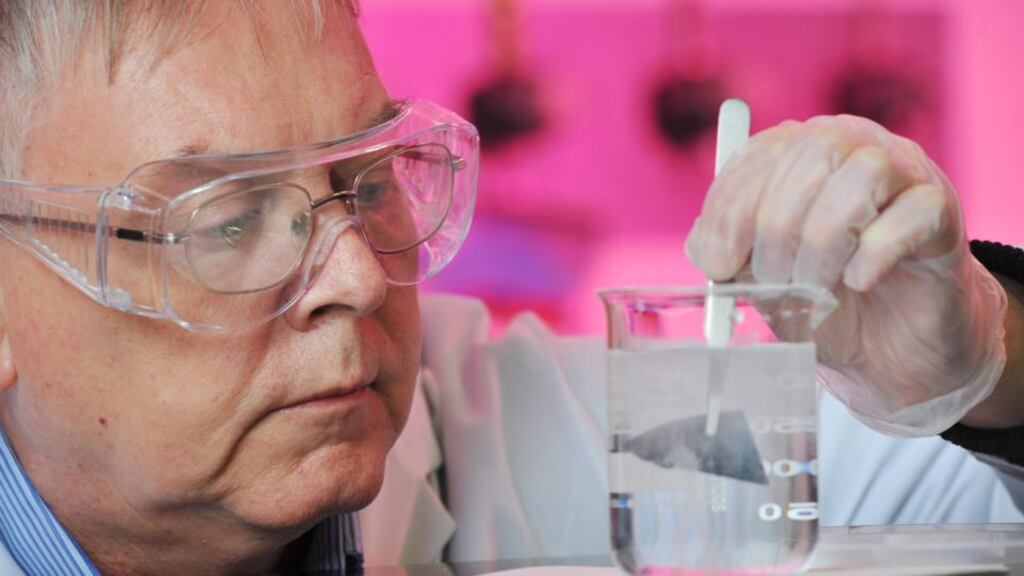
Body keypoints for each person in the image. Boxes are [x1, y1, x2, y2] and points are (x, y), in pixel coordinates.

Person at [0, 2, 1020, 575]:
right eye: (226, 219)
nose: (356, 275)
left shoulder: (519, 430)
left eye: (369, 181)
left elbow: (971, 504)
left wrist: (984, 365)